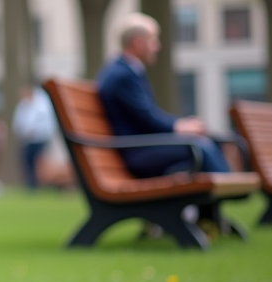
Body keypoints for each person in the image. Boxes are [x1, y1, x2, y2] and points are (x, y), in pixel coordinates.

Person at [96, 13, 229, 177]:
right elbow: (146, 118)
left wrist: (181, 125)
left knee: (209, 140)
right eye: (153, 41)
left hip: (139, 147)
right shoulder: (122, 75)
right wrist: (180, 127)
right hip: (136, 153)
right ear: (138, 43)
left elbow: (146, 116)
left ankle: (224, 190)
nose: (157, 46)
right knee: (200, 144)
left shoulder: (124, 71)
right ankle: (231, 188)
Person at [11, 85, 56, 189]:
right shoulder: (22, 106)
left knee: (39, 163)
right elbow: (18, 123)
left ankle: (40, 184)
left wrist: (37, 132)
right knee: (27, 163)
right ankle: (31, 185)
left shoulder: (41, 105)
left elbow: (46, 123)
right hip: (26, 141)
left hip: (39, 140)